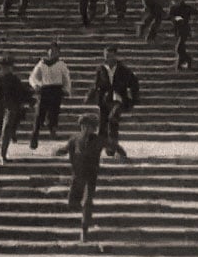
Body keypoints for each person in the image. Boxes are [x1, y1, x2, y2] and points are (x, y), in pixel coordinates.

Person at [54, 113, 106, 243]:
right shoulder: (75, 139)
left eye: (92, 127)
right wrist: (58, 151)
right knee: (72, 203)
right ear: (82, 127)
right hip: (77, 177)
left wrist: (122, 154)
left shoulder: (99, 140)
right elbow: (66, 149)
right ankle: (85, 217)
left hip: (90, 177)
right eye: (86, 127)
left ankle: (84, 230)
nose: (89, 129)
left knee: (87, 202)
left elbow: (114, 146)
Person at [86, 45, 139, 162]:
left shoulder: (123, 69)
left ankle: (114, 148)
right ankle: (102, 149)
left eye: (110, 55)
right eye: (106, 56)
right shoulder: (101, 69)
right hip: (105, 100)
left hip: (119, 99)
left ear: (115, 55)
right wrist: (90, 95)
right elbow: (96, 84)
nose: (107, 58)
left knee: (113, 120)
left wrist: (133, 98)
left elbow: (134, 83)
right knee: (103, 125)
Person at [0, 53, 35, 164]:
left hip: (10, 107)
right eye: (4, 66)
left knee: (7, 129)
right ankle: (2, 144)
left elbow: (23, 92)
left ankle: (3, 154)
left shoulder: (14, 80)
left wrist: (30, 100)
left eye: (8, 66)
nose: (6, 69)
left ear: (11, 67)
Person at [29, 41, 73, 149]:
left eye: (55, 51)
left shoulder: (61, 64)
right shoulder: (42, 63)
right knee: (39, 114)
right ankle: (34, 136)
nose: (53, 53)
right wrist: (36, 85)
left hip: (56, 90)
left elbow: (66, 78)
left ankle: (52, 129)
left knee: (54, 112)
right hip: (45, 90)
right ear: (47, 52)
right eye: (51, 51)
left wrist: (67, 89)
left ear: (59, 53)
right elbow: (33, 77)